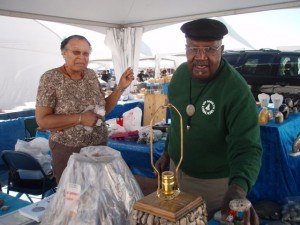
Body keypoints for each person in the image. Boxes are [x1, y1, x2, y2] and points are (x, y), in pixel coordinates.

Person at [155, 18, 262, 224]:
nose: (201, 57)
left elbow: (247, 147)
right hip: (176, 171)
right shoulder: (179, 76)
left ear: (221, 49)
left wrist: (238, 188)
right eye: (194, 48)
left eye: (210, 50)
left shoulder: (236, 89)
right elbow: (176, 120)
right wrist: (168, 152)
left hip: (213, 184)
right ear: (185, 48)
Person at [35, 35, 134, 184]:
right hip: (68, 151)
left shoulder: (91, 75)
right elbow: (42, 121)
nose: (81, 57)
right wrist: (80, 118)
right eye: (76, 52)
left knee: (97, 196)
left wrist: (120, 87)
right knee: (73, 200)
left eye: (86, 53)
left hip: (98, 148)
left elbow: (103, 110)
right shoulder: (50, 78)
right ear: (64, 53)